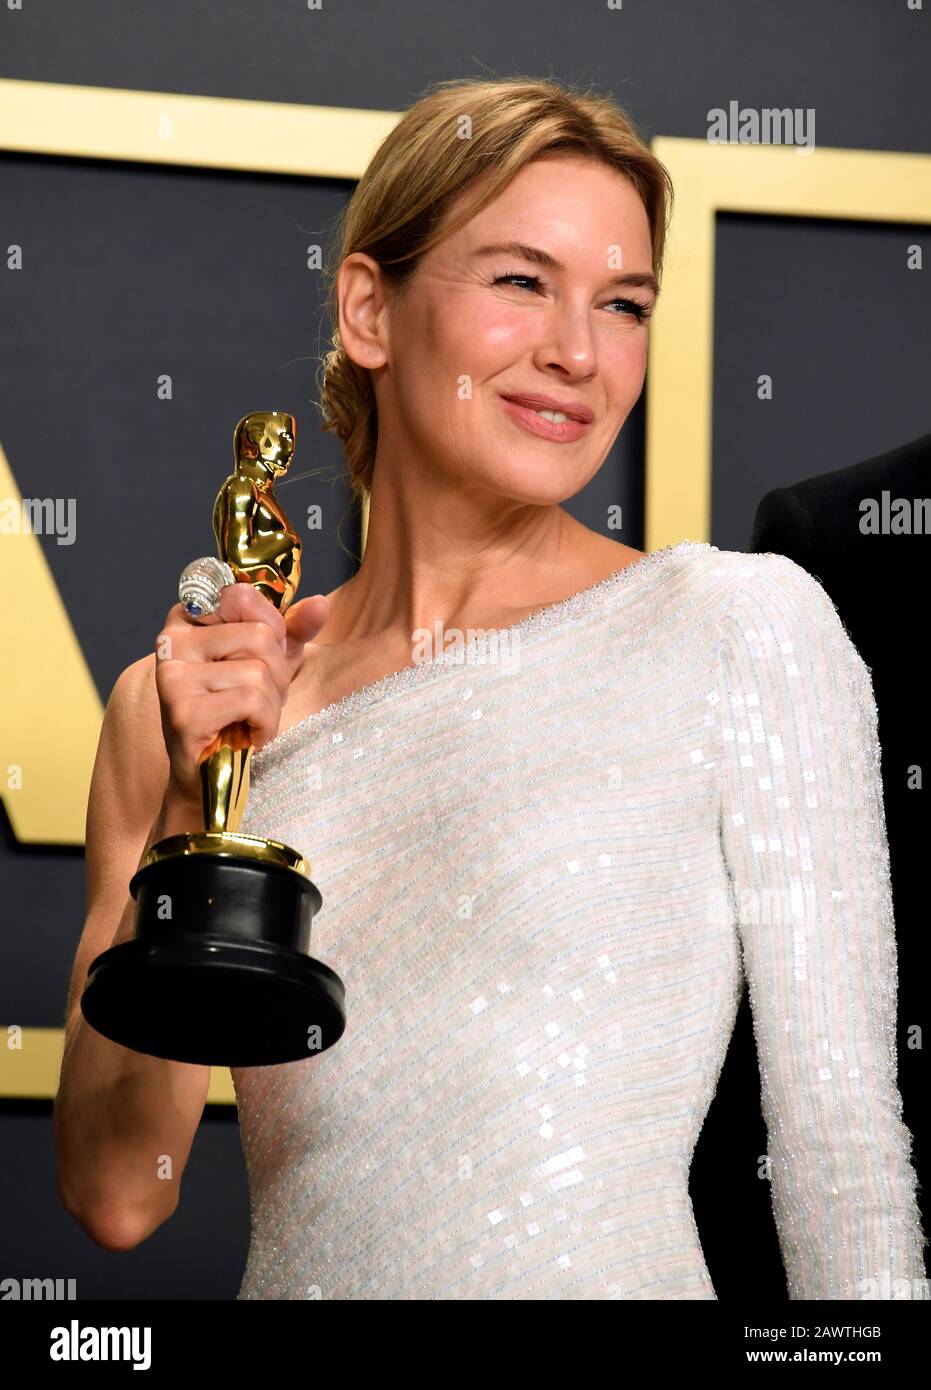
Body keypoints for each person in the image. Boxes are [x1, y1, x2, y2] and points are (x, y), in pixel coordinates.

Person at [54, 74, 928, 1301]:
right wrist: (189, 816)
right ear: (370, 307)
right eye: (521, 281)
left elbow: (839, 1148)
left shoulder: (735, 626)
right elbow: (115, 1190)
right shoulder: (193, 703)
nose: (577, 352)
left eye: (622, 304)